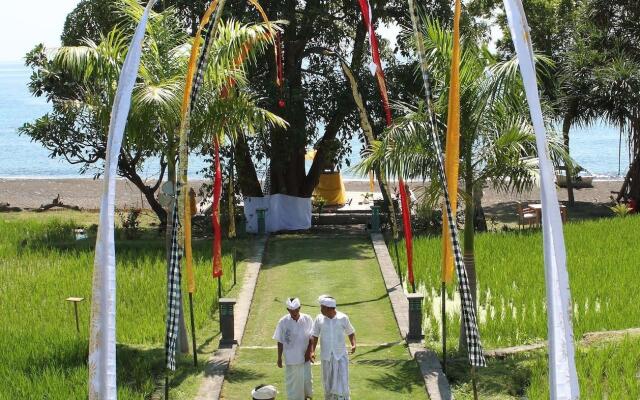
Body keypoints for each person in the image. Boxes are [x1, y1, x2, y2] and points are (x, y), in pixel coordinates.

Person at [310, 295, 356, 400]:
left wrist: (353, 344)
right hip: (326, 357)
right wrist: (312, 351)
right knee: (328, 382)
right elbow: (314, 336)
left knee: (342, 381)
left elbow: (351, 332)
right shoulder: (319, 319)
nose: (320, 310)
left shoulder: (343, 318)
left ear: (330, 308)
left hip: (340, 356)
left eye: (322, 307)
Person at [273, 297, 314, 399]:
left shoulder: (307, 319)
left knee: (306, 381)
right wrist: (279, 358)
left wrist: (309, 352)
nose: (294, 313)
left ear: (300, 308)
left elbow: (312, 338)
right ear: (288, 310)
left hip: (305, 358)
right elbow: (280, 341)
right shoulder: (283, 322)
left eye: (296, 310)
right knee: (293, 384)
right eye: (291, 311)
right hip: (291, 359)